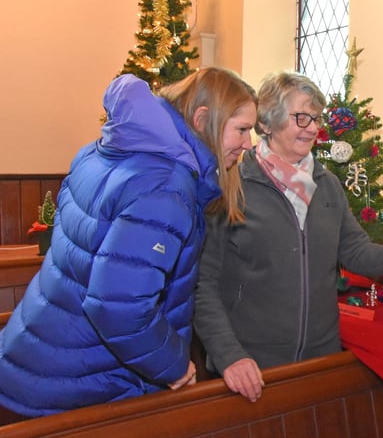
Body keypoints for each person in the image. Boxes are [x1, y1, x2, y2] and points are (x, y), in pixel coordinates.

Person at [0, 68, 257, 418]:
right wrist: (173, 365)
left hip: (39, 351)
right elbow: (118, 307)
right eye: (242, 129)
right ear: (202, 119)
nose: (249, 143)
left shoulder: (109, 150)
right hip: (80, 380)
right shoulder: (165, 186)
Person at [194, 70, 383, 403]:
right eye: (301, 117)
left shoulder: (327, 186)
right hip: (251, 364)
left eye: (316, 118)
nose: (312, 127)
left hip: (319, 358)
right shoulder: (233, 183)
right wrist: (229, 355)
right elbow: (203, 285)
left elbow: (358, 253)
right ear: (266, 123)